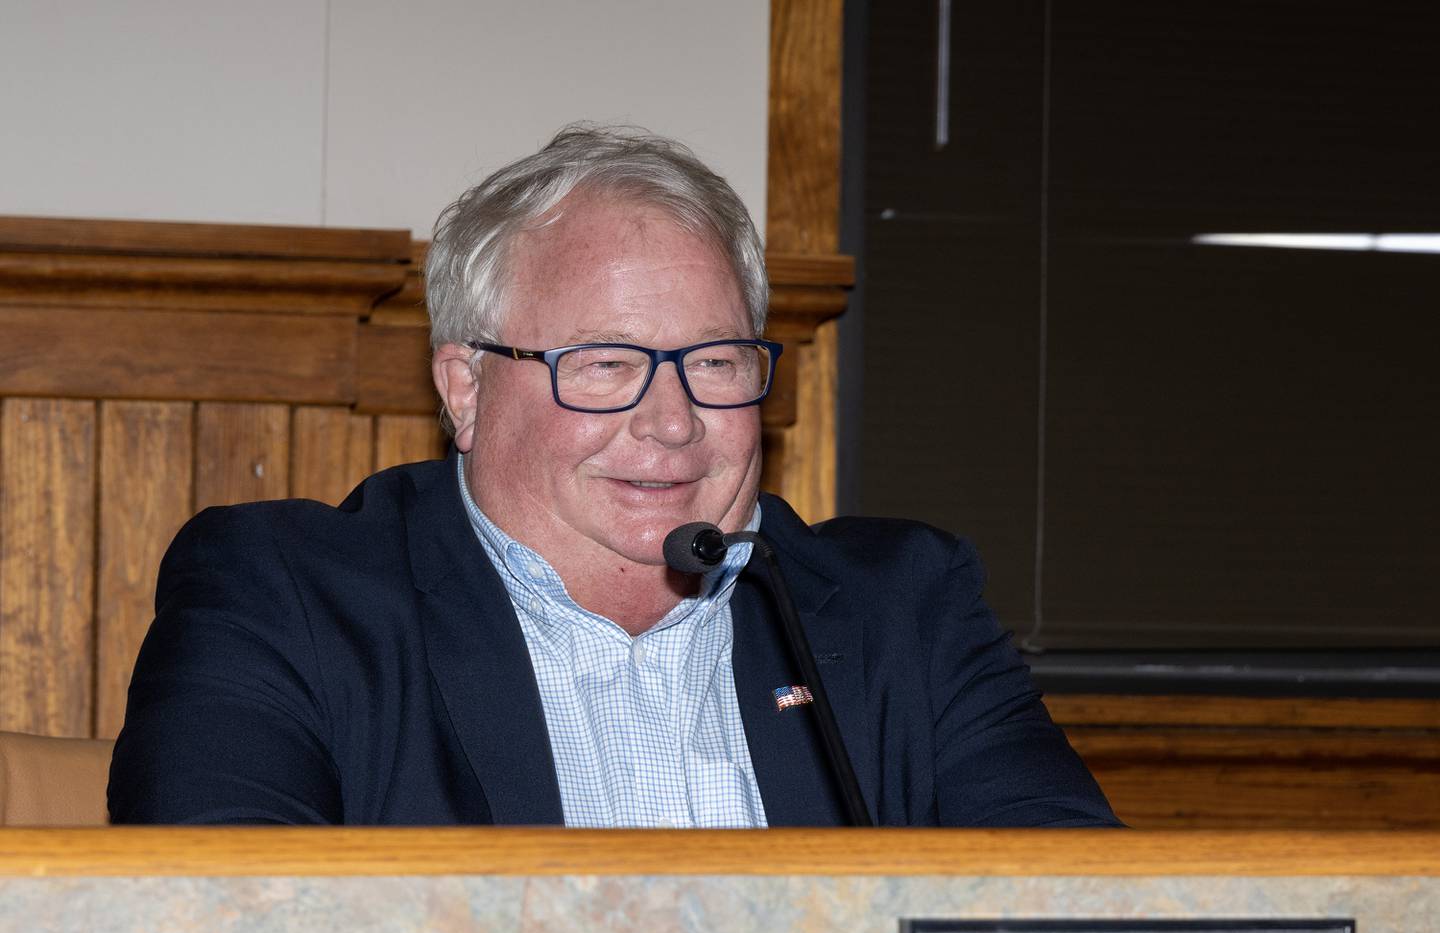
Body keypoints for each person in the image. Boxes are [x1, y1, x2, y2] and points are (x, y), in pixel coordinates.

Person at [108, 125, 1117, 828]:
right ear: (465, 387)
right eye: (603, 364)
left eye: (716, 362)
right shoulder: (286, 599)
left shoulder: (901, 611)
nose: (672, 421)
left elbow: (1073, 928)